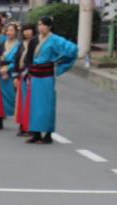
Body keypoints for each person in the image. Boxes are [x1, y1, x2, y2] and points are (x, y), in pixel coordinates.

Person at [23, 15, 77, 145]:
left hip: (46, 75)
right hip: (35, 75)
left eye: (43, 24)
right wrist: (28, 69)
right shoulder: (34, 40)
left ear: (49, 26)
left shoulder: (55, 39)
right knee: (34, 105)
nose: (40, 27)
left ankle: (47, 135)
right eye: (39, 24)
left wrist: (58, 61)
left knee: (47, 105)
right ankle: (36, 133)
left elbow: (73, 49)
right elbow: (28, 58)